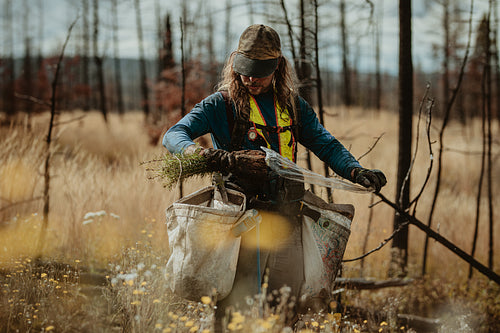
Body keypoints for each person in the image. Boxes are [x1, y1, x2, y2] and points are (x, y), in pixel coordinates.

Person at [163, 24, 386, 329]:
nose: (250, 78)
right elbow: (175, 135)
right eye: (245, 70)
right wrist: (215, 157)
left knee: (285, 310)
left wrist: (356, 170)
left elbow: (326, 143)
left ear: (278, 67)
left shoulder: (293, 107)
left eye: (259, 71)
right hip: (241, 222)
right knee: (234, 312)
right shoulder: (221, 105)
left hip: (287, 220)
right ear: (235, 63)